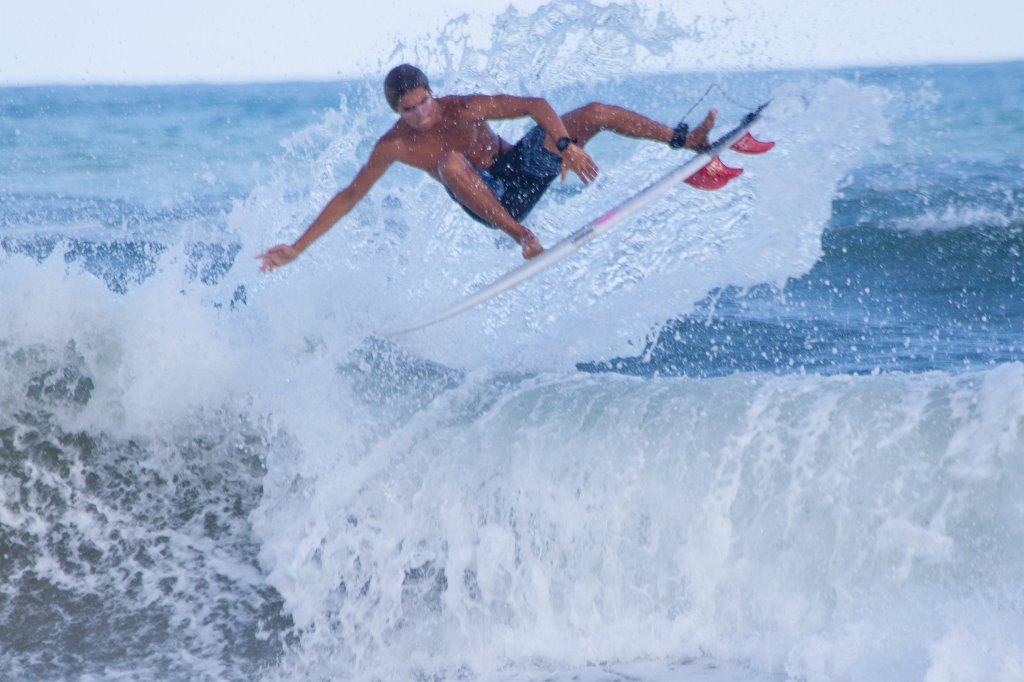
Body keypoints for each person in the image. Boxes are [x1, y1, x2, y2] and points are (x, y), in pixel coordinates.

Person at [258, 64, 716, 269]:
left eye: (423, 102)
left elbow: (535, 105)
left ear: (432, 93)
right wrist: (298, 247)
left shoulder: (465, 108)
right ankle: (524, 238)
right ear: (396, 111)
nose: (419, 114)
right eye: (408, 110)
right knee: (450, 163)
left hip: (522, 171)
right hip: (489, 203)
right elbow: (350, 196)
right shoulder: (394, 146)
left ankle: (684, 140)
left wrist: (564, 145)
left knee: (593, 112)